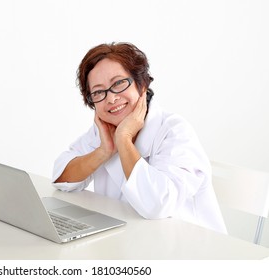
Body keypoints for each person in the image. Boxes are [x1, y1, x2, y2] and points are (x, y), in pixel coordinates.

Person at [52, 42, 227, 234]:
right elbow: (62, 178)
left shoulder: (174, 132)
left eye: (118, 83)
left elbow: (156, 205)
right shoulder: (104, 130)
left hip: (190, 249)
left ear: (141, 84)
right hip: (132, 241)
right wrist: (104, 151)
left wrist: (124, 139)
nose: (111, 99)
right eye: (99, 92)